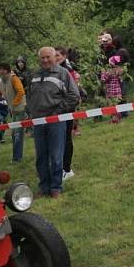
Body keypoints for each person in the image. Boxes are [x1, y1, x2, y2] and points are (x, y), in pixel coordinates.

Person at [28, 46, 80, 198]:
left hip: (56, 120)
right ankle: (44, 187)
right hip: (38, 121)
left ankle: (56, 187)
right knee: (41, 156)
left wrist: (58, 112)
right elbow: (30, 95)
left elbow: (74, 95)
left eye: (48, 57)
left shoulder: (63, 73)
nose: (45, 60)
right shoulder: (34, 75)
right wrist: (31, 111)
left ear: (54, 57)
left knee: (56, 156)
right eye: (42, 58)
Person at [55, 46, 81, 180]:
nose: (55, 58)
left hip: (66, 109)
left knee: (66, 138)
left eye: (57, 55)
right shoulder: (55, 71)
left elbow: (73, 92)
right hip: (56, 111)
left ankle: (67, 169)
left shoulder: (67, 71)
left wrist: (63, 106)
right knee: (59, 139)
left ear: (64, 56)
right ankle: (60, 168)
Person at [0, 62, 27, 163]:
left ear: (6, 70)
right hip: (13, 111)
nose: (1, 71)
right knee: (14, 134)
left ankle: (17, 158)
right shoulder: (0, 82)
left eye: (2, 69)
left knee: (17, 134)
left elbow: (21, 91)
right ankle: (16, 157)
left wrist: (14, 103)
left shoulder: (14, 79)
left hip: (20, 109)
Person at [100, 55, 124, 123]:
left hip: (111, 91)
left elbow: (103, 80)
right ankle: (115, 119)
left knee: (113, 106)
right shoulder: (119, 70)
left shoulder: (110, 71)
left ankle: (116, 119)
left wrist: (105, 74)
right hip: (115, 91)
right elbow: (121, 80)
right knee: (114, 106)